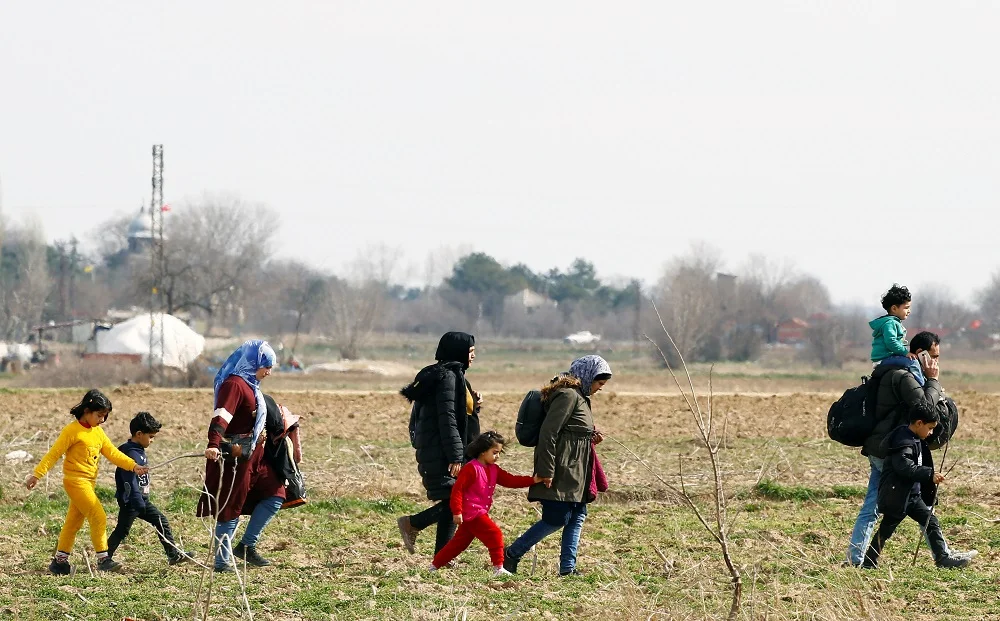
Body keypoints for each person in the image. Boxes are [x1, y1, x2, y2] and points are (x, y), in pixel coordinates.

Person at [845, 331, 975, 566]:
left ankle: (940, 555)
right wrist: (933, 380)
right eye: (932, 356)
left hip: (889, 447)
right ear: (920, 354)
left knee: (895, 508)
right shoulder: (902, 376)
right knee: (886, 508)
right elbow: (924, 405)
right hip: (892, 450)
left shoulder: (904, 373)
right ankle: (860, 559)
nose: (935, 362)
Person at [503, 355, 612, 576]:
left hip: (577, 472)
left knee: (577, 515)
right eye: (600, 383)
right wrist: (546, 470)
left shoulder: (580, 396)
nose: (600, 388)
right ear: (588, 375)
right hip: (562, 470)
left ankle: (567, 569)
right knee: (556, 518)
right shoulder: (567, 395)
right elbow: (549, 434)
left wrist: (590, 437)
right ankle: (512, 554)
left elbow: (571, 432)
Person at [25, 389, 150, 574]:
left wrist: (133, 466)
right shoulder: (72, 431)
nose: (102, 420)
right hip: (75, 481)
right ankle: (103, 559)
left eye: (105, 417)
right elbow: (54, 454)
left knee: (73, 523)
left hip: (88, 482)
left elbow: (113, 454)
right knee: (98, 516)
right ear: (87, 411)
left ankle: (60, 562)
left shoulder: (98, 433)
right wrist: (37, 475)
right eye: (100, 415)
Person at [397, 332, 481, 555]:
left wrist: (475, 404)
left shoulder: (452, 375)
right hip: (442, 451)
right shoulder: (448, 377)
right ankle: (413, 523)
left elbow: (458, 414)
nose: (473, 356)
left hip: (441, 448)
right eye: (470, 352)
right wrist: (455, 456)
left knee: (452, 499)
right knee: (457, 502)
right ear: (459, 352)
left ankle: (443, 556)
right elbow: (447, 417)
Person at [197, 339, 276, 572]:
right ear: (254, 362)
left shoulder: (251, 385)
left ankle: (246, 546)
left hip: (254, 455)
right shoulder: (234, 385)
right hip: (235, 457)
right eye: (267, 366)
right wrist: (213, 443)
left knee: (275, 492)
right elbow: (221, 416)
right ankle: (222, 561)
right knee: (230, 506)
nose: (268, 372)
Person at [862, 400, 970, 569]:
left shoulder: (914, 436)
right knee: (886, 530)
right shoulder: (903, 440)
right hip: (897, 495)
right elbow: (903, 466)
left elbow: (932, 434)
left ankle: (942, 559)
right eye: (930, 428)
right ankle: (868, 562)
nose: (931, 432)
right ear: (919, 423)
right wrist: (929, 475)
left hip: (911, 495)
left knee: (930, 521)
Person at [429, 431, 541, 576]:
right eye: (495, 452)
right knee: (495, 534)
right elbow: (458, 490)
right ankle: (498, 567)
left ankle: (433, 566)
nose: (497, 456)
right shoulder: (471, 468)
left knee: (457, 544)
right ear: (483, 451)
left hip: (477, 513)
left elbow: (511, 480)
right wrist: (457, 511)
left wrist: (532, 480)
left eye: (499, 453)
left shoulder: (494, 469)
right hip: (473, 512)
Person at [107, 412, 195, 566]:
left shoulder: (137, 450)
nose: (152, 440)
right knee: (122, 530)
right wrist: (136, 501)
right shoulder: (131, 454)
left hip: (140, 499)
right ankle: (104, 558)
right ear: (139, 434)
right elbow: (129, 481)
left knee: (160, 521)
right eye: (151, 437)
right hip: (132, 501)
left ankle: (173, 555)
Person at [230, 393, 305, 567]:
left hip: (258, 459)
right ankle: (223, 554)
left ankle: (244, 546)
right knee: (233, 503)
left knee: (274, 495)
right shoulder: (235, 390)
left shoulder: (258, 396)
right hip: (240, 459)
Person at [870, 284, 924, 385]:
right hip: (884, 359)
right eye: (906, 307)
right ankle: (922, 387)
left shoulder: (894, 322)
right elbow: (891, 342)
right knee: (913, 362)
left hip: (889, 357)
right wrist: (905, 353)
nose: (909, 311)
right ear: (894, 308)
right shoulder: (890, 323)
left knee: (916, 359)